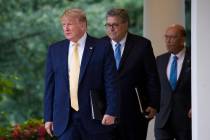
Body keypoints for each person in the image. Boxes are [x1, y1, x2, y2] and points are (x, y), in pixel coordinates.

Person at [44, 8, 120, 140]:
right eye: (63, 25)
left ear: (83, 25)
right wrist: (48, 117)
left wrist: (111, 111)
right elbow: (49, 87)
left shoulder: (102, 47)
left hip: (95, 119)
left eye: (70, 24)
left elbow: (111, 83)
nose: (66, 28)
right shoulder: (55, 50)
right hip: (65, 121)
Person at [99, 8, 160, 140]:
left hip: (134, 111)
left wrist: (154, 104)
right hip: (105, 111)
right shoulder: (99, 45)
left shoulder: (142, 45)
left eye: (115, 25)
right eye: (108, 25)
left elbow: (152, 76)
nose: (111, 29)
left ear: (126, 24)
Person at [155, 24, 191, 140]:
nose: (168, 41)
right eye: (166, 37)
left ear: (183, 39)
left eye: (173, 37)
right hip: (163, 119)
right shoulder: (160, 60)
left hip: (186, 119)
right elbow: (155, 86)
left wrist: (196, 106)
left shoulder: (195, 57)